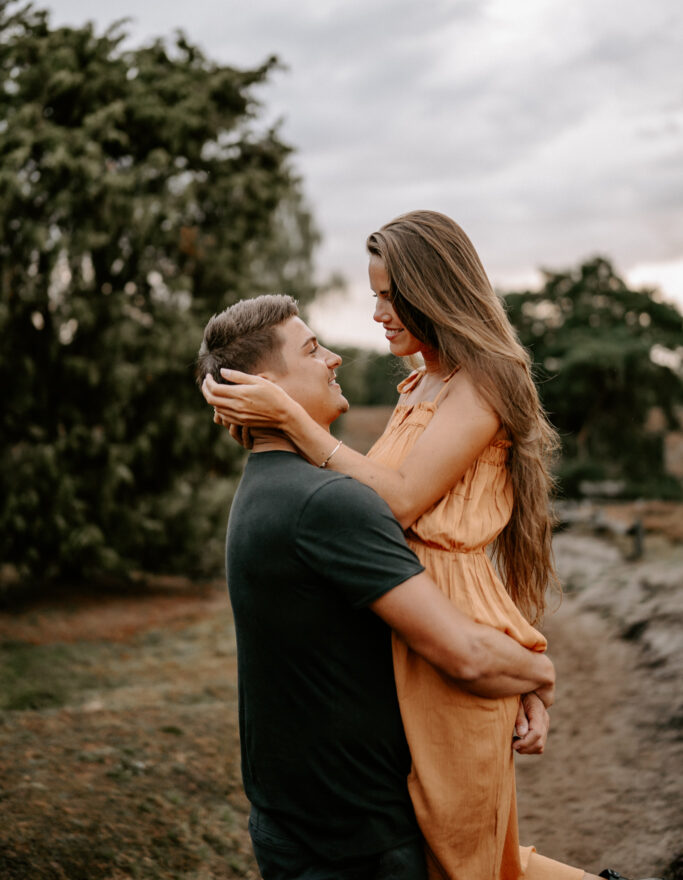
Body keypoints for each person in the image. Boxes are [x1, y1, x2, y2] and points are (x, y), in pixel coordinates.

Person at [202, 213, 661, 880]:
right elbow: (368, 501)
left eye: (389, 295)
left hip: (449, 632)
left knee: (464, 856)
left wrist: (293, 420)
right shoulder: (418, 384)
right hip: (414, 627)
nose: (378, 314)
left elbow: (401, 500)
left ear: (432, 289)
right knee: (455, 856)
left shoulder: (485, 379)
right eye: (374, 296)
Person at [196, 293, 556, 880]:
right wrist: (541, 673)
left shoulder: (263, 489)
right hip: (354, 843)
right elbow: (463, 655)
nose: (335, 358)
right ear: (265, 388)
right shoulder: (328, 504)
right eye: (313, 350)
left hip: (293, 821)